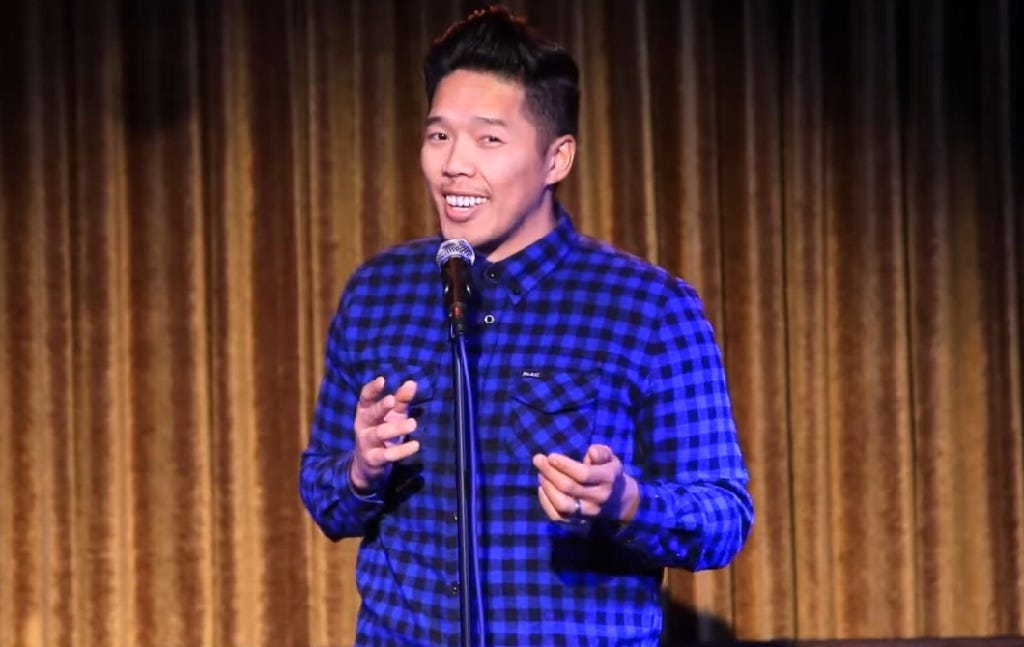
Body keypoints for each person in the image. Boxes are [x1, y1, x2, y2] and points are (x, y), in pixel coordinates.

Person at [299, 6, 753, 646]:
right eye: (438, 135)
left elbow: (725, 516)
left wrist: (625, 502)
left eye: (488, 140)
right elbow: (322, 491)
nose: (454, 164)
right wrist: (359, 473)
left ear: (555, 159)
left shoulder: (648, 307)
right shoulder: (378, 292)